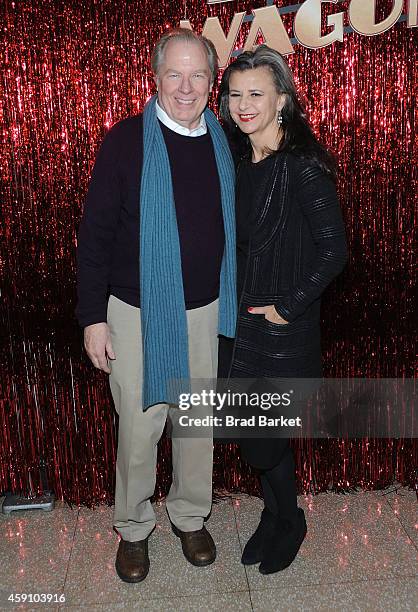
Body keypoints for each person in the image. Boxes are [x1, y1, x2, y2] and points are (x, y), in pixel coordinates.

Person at [76, 28, 236, 583]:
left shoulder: (225, 141)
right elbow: (94, 236)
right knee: (140, 430)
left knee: (195, 425)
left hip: (205, 310)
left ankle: (190, 516)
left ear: (213, 81)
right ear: (155, 77)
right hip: (134, 312)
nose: (186, 87)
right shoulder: (125, 142)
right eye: (175, 73)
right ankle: (134, 529)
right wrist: (93, 318)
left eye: (198, 75)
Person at [218, 45, 348, 574]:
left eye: (256, 94)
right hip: (238, 325)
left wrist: (287, 309)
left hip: (279, 329)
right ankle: (275, 515)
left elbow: (334, 250)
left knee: (264, 442)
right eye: (235, 94)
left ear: (283, 102)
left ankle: (290, 519)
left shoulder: (301, 168)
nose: (243, 105)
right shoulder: (234, 159)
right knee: (254, 433)